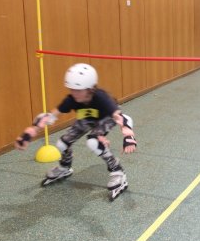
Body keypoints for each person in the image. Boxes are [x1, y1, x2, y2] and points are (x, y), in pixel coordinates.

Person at [15, 63, 137, 201]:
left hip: (106, 118)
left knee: (93, 142)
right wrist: (30, 131)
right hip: (87, 118)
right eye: (72, 89)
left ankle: (118, 171)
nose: (74, 93)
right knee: (62, 144)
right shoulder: (71, 99)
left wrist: (128, 134)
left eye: (78, 90)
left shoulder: (101, 97)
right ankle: (65, 167)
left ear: (90, 89)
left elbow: (120, 117)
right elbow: (50, 116)